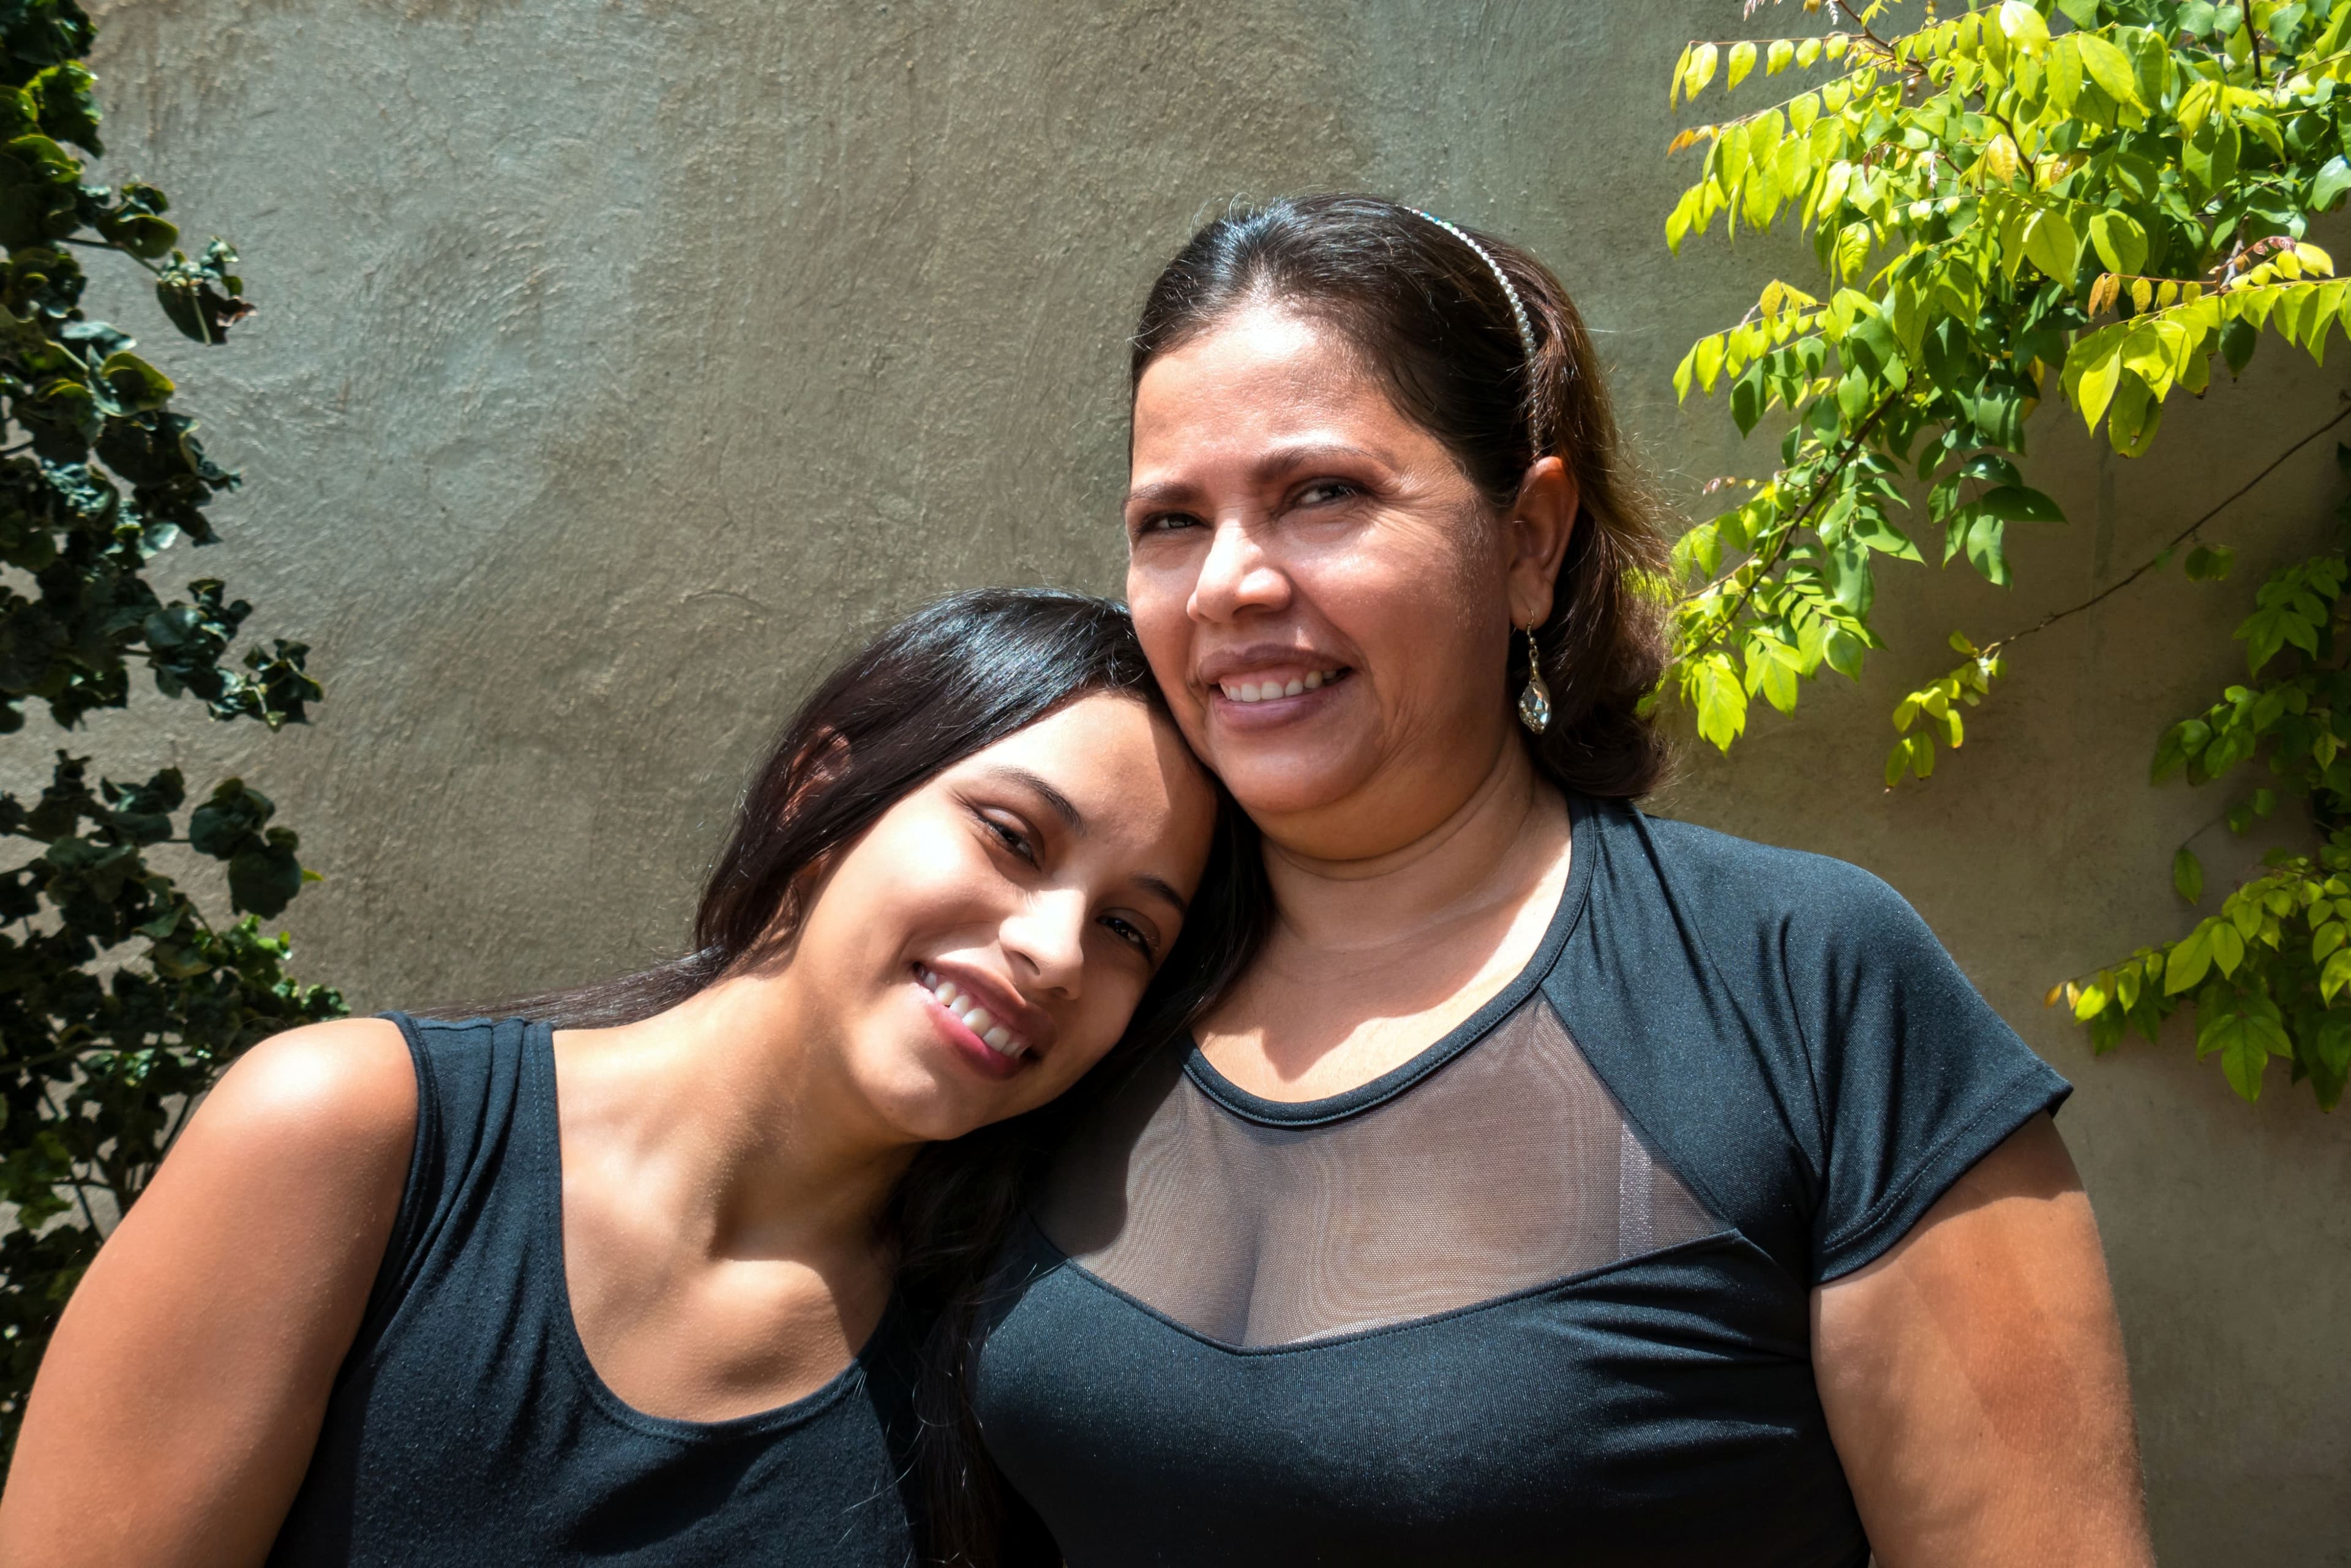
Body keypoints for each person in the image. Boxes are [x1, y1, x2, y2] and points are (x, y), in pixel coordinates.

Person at [966, 197, 2156, 1567]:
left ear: (1530, 539)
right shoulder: (1085, 977)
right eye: (1172, 520)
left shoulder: (1799, 989)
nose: (1228, 583)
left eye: (1322, 494)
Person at [0, 588, 1264, 1567]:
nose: (1055, 950)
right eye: (1011, 836)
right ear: (825, 785)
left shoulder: (1001, 1386)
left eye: (1129, 930)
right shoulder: (349, 1133)